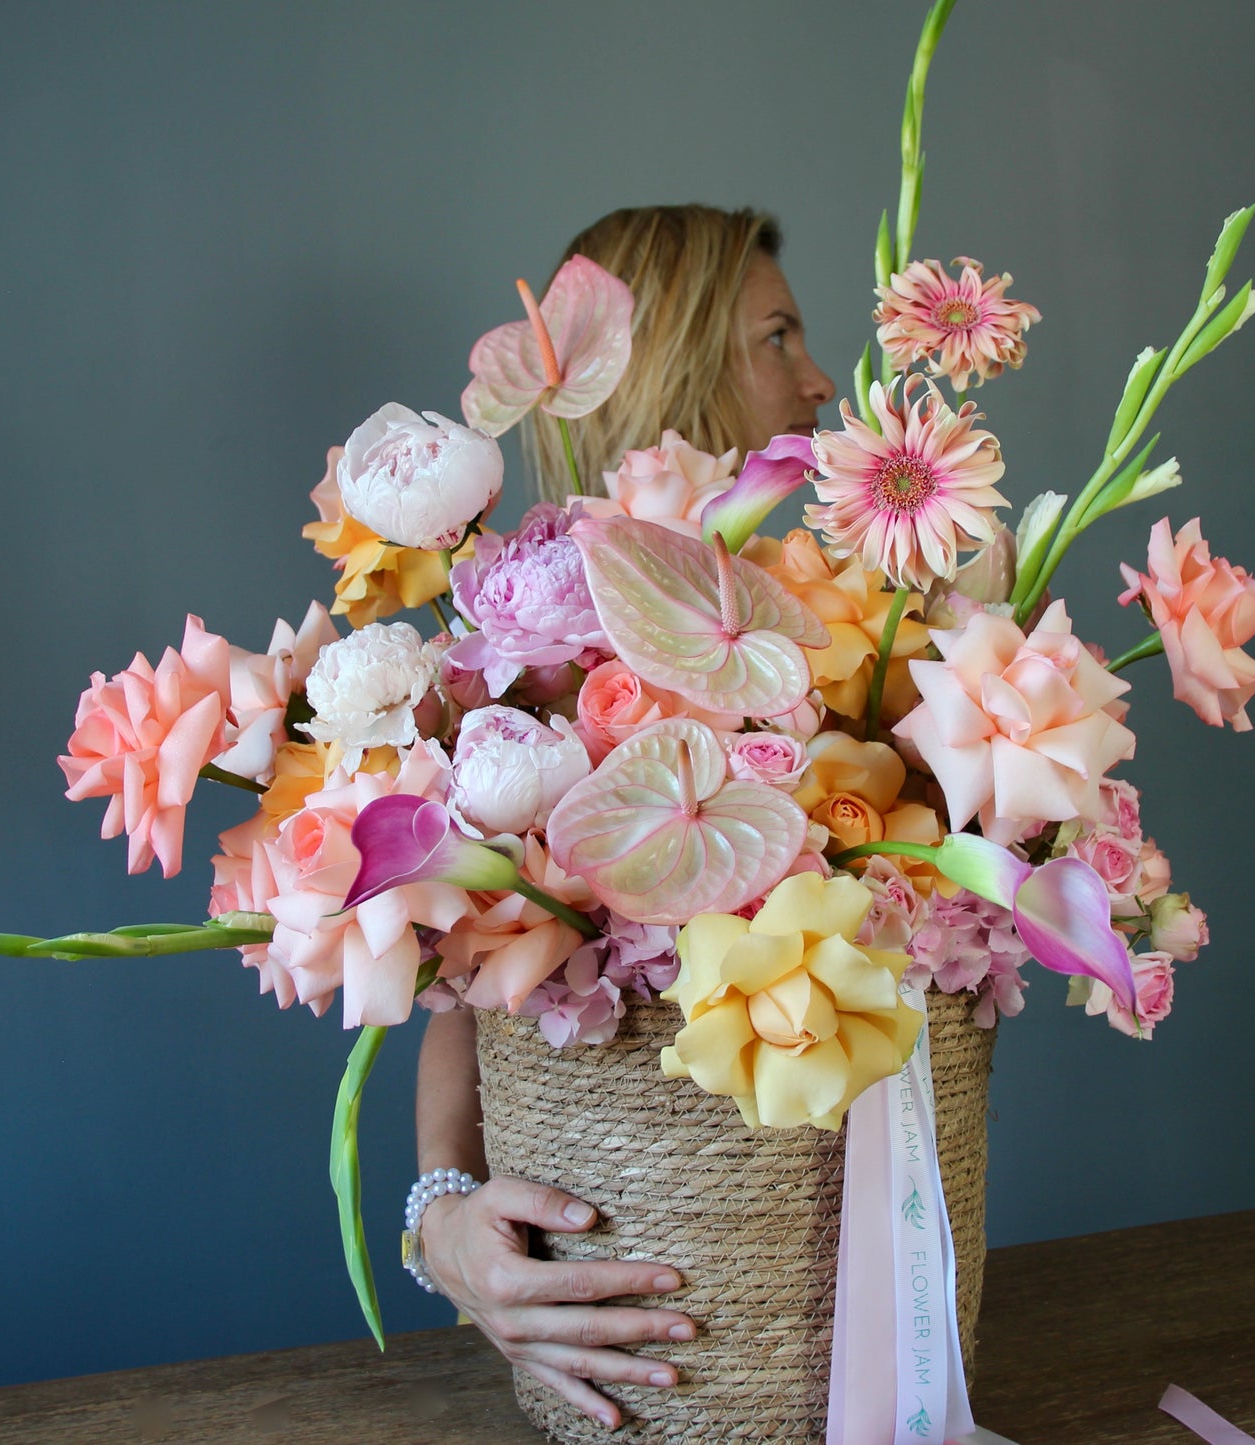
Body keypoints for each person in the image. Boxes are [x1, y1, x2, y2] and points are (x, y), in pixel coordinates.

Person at [415, 204, 836, 1432]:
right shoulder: (514, 678)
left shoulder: (839, 630)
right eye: (776, 337)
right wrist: (441, 1215)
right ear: (674, 369)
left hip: (819, 1303)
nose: (817, 380)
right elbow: (472, 962)